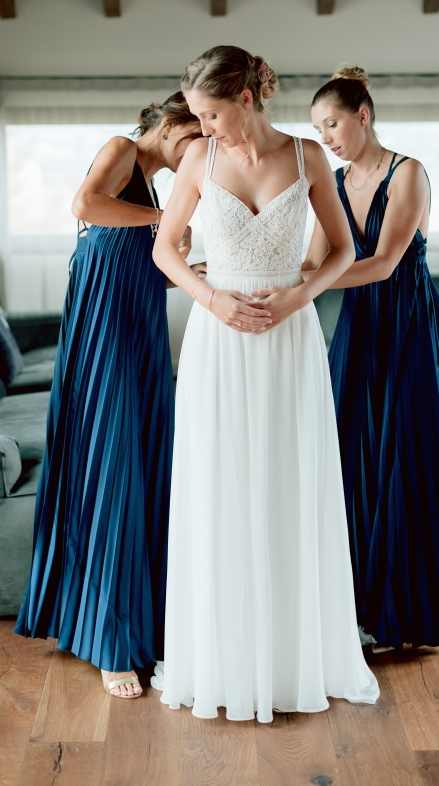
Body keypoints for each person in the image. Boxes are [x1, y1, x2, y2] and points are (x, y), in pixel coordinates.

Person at [152, 46, 379, 722]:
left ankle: (291, 660)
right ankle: (223, 659)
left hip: (289, 340)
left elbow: (343, 249)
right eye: (198, 116)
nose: (203, 127)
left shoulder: (308, 158)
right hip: (218, 342)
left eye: (211, 114)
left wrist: (298, 296)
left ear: (246, 99)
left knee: (288, 486)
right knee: (220, 487)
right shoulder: (199, 159)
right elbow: (165, 248)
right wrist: (210, 299)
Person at [15, 93, 202, 698]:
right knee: (112, 469)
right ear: (168, 126)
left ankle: (143, 623)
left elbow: (135, 266)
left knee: (146, 468)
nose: (195, 152)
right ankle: (108, 640)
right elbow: (84, 204)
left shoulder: (152, 185)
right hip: (105, 339)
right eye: (192, 138)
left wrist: (189, 267)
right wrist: (166, 221)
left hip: (141, 336)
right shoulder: (122, 150)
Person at [304, 66, 439, 651]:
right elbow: (314, 260)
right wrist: (254, 278)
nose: (325, 138)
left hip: (407, 323)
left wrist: (305, 286)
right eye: (318, 130)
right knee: (348, 455)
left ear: (362, 116)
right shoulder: (334, 181)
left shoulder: (408, 172)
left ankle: (408, 617)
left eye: (332, 124)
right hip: (358, 327)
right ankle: (357, 609)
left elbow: (384, 264)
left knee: (403, 455)